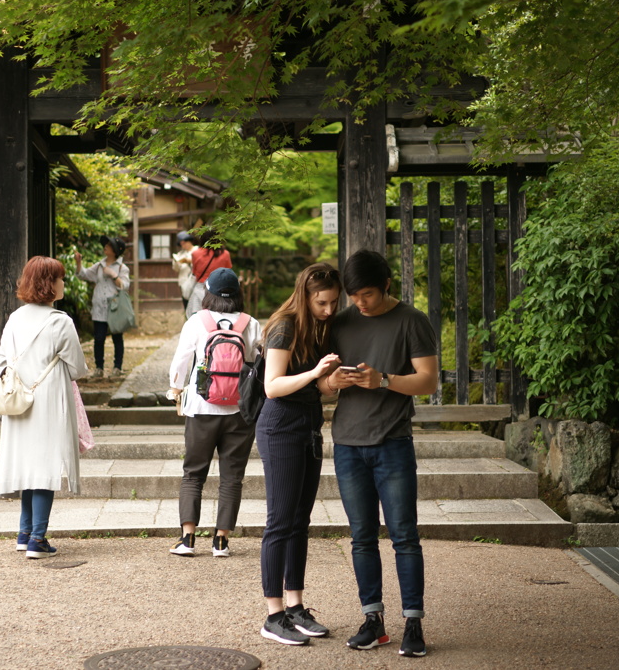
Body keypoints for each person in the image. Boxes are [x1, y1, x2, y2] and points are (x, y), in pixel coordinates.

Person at [323, 249, 438, 658]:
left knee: (404, 536)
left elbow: (427, 382)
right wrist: (332, 382)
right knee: (361, 537)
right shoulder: (340, 322)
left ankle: (413, 623)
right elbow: (321, 385)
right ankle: (373, 620)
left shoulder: (412, 320)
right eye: (354, 296)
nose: (360, 303)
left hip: (392, 443)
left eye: (367, 294)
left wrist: (384, 380)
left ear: (387, 284)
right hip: (348, 445)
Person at [256, 263, 342, 646]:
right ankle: (273, 615)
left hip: (308, 427)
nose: (328, 309)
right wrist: (313, 375)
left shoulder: (318, 327)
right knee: (280, 522)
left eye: (333, 302)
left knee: (300, 521)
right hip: (280, 428)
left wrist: (334, 381)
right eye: (322, 302)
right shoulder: (285, 324)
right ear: (306, 295)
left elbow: (321, 388)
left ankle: (295, 607)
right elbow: (272, 386)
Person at [0, 256, 90, 559]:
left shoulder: (14, 318)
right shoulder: (59, 322)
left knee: (26, 468)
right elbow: (78, 367)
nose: (63, 283)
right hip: (48, 400)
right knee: (45, 468)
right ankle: (37, 538)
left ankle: (24, 534)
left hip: (19, 399)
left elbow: (3, 361)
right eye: (60, 278)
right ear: (50, 284)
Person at [168, 267, 261, 558]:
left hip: (201, 407)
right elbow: (256, 362)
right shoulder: (251, 323)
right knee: (232, 475)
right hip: (239, 410)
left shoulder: (196, 322)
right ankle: (221, 541)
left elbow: (181, 361)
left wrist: (175, 390)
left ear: (207, 292)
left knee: (193, 473)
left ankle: (187, 538)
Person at [75, 236, 131, 378]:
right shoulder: (99, 265)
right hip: (99, 307)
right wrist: (78, 262)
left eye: (109, 245)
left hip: (114, 308)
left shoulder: (122, 268)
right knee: (99, 338)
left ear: (115, 250)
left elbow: (125, 286)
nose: (105, 246)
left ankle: (117, 367)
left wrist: (113, 275)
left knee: (117, 338)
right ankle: (99, 368)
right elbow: (84, 275)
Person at [185, 229, 232, 318]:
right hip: (219, 291)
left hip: (200, 290)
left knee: (198, 318)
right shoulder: (225, 254)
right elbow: (228, 274)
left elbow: (195, 273)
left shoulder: (196, 254)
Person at [171, 231, 197, 311]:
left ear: (189, 241)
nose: (184, 245)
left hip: (195, 282)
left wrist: (188, 261)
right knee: (186, 304)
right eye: (181, 244)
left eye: (185, 243)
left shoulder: (197, 250)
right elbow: (176, 269)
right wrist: (176, 262)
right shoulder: (180, 254)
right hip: (184, 281)